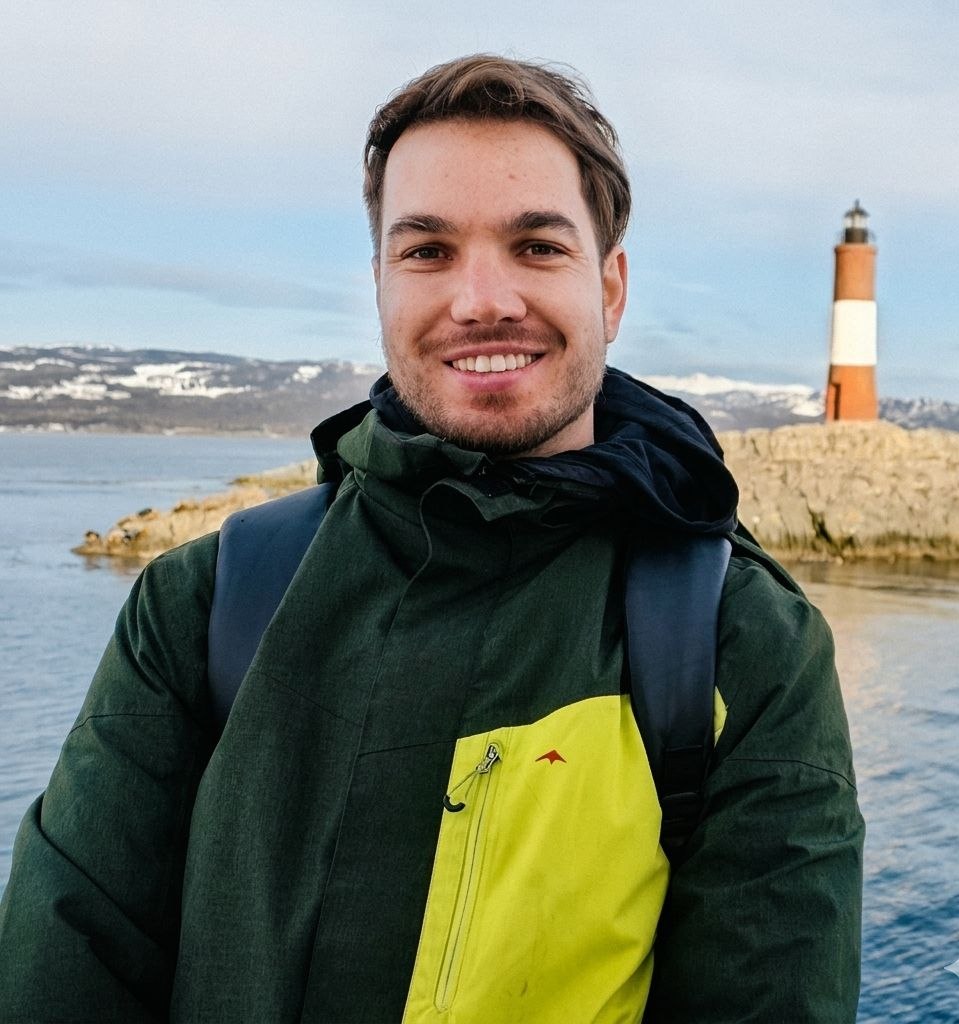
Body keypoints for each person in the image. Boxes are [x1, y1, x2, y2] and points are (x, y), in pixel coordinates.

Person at [0, 55, 864, 1022]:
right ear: (379, 285)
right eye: (428, 251)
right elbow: (62, 970)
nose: (482, 299)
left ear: (611, 290)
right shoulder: (204, 603)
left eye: (537, 246)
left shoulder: (743, 647)